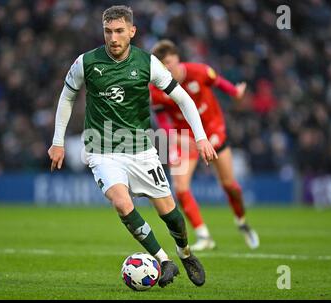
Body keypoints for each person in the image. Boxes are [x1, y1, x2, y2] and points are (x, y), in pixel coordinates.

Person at [48, 6, 219, 287]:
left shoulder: (148, 63)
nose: (113, 38)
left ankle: (185, 253)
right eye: (107, 31)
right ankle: (164, 260)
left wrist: (200, 137)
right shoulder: (86, 62)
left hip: (141, 149)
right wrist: (58, 142)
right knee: (121, 202)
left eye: (118, 31)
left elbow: (184, 99)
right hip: (101, 149)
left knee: (172, 216)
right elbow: (67, 98)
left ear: (131, 31)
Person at [149, 40, 259, 251]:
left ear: (178, 59)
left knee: (229, 185)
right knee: (180, 189)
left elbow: (221, 84)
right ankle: (204, 236)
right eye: (162, 65)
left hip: (212, 131)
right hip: (184, 137)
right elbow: (162, 121)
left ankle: (241, 221)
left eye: (169, 62)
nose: (166, 68)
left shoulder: (200, 72)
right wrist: (176, 138)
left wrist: (236, 93)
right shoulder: (156, 89)